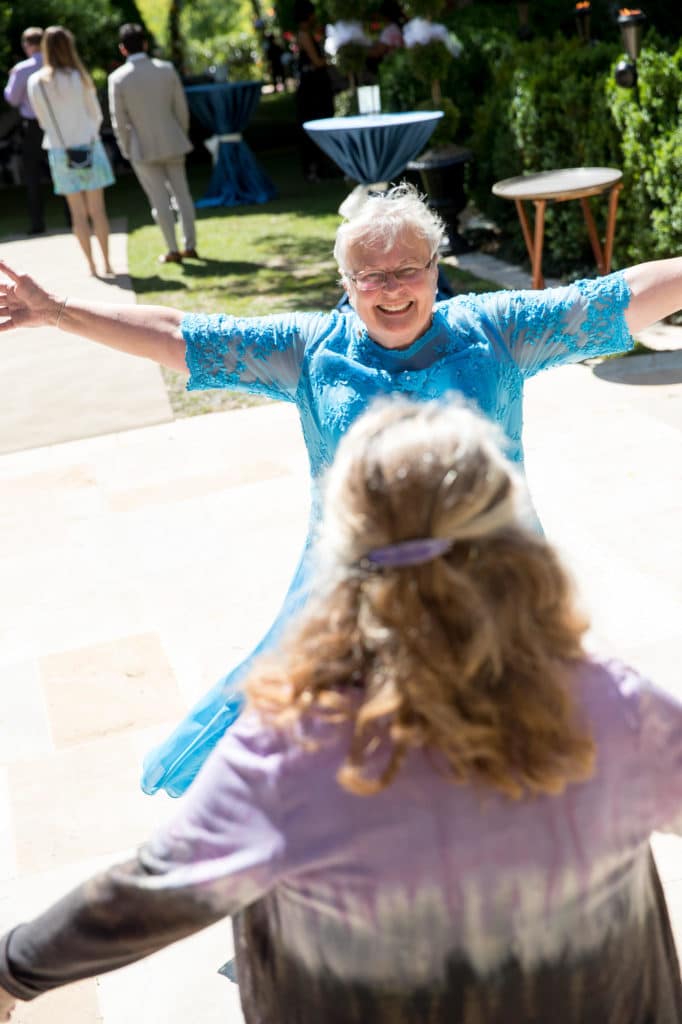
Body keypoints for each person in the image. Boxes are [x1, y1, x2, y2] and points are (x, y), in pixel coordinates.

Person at [0, 398, 681, 1023]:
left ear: (341, 553)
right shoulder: (617, 710)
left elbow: (149, 894)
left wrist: (13, 970)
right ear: (516, 545)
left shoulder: (288, 750)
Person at [0, 182, 681, 799]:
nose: (391, 289)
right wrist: (57, 310)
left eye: (408, 270)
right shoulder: (311, 349)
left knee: (510, 778)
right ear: (346, 283)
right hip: (354, 609)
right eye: (370, 275)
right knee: (364, 787)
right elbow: (182, 334)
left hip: (493, 596)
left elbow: (614, 301)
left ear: (436, 270)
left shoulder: (495, 331)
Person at [108, 23, 198, 265]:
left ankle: (173, 249)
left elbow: (119, 121)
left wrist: (127, 148)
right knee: (183, 195)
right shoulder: (166, 70)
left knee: (159, 201)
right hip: (173, 139)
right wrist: (181, 133)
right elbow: (181, 109)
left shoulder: (118, 79)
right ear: (145, 44)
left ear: (122, 49)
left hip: (142, 148)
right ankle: (189, 245)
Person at [28, 26, 114, 277]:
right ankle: (108, 262)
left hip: (59, 151)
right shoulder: (79, 77)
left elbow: (42, 121)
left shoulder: (37, 82)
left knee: (77, 214)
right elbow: (96, 114)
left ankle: (91, 266)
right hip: (89, 146)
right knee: (98, 211)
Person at [3, 27, 46, 236]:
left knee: (32, 176)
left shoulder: (22, 69)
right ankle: (73, 216)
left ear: (27, 45)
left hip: (33, 126)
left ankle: (37, 222)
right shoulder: (55, 62)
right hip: (55, 126)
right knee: (62, 171)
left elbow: (12, 98)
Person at [294, 0, 334, 182]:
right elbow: (316, 62)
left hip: (316, 86)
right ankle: (314, 168)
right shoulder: (303, 35)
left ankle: (321, 166)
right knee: (314, 123)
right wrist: (333, 59)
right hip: (313, 89)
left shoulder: (307, 34)